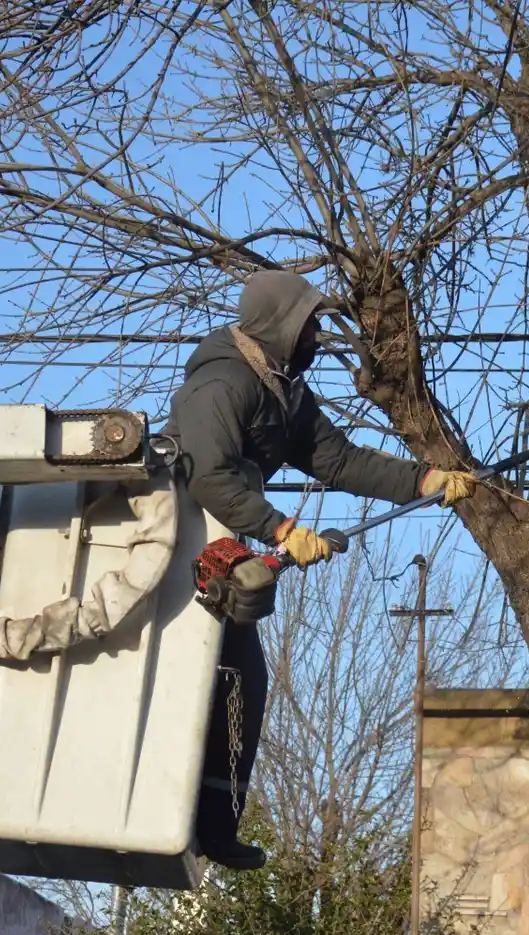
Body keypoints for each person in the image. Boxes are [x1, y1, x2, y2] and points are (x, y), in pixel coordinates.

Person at [161, 269, 478, 870]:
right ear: (280, 325)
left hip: (219, 557)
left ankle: (214, 830)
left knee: (242, 685)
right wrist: (281, 530)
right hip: (176, 558)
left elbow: (339, 459)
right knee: (221, 685)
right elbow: (207, 477)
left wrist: (423, 481)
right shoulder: (224, 382)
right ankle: (195, 821)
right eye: (310, 322)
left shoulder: (280, 391)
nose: (318, 333)